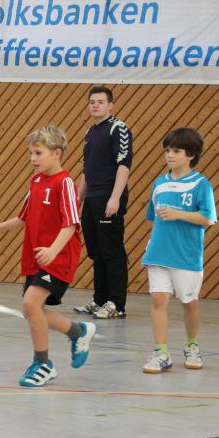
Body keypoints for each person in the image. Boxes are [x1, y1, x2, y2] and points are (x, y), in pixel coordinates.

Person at [0, 125, 96, 387]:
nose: (33, 159)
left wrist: (53, 250)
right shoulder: (37, 181)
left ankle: (43, 363)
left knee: (31, 304)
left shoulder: (64, 183)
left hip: (58, 257)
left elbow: (71, 224)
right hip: (37, 256)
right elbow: (23, 218)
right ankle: (78, 332)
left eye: (38, 153)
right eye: (31, 153)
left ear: (56, 153)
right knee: (32, 310)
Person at [141, 128, 217, 374]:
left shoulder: (201, 184)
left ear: (191, 155)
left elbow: (208, 219)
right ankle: (160, 352)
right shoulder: (159, 183)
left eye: (176, 151)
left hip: (186, 255)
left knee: (189, 302)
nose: (169, 155)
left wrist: (179, 214)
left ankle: (191, 345)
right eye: (167, 151)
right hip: (158, 253)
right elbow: (155, 218)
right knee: (158, 299)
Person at [74, 86, 133, 320]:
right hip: (92, 197)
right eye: (92, 102)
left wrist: (115, 198)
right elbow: (87, 169)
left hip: (109, 196)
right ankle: (100, 299)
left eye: (100, 101)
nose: (95, 105)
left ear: (110, 105)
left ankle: (117, 303)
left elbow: (123, 165)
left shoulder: (118, 129)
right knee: (96, 250)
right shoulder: (91, 131)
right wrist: (79, 198)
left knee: (112, 251)